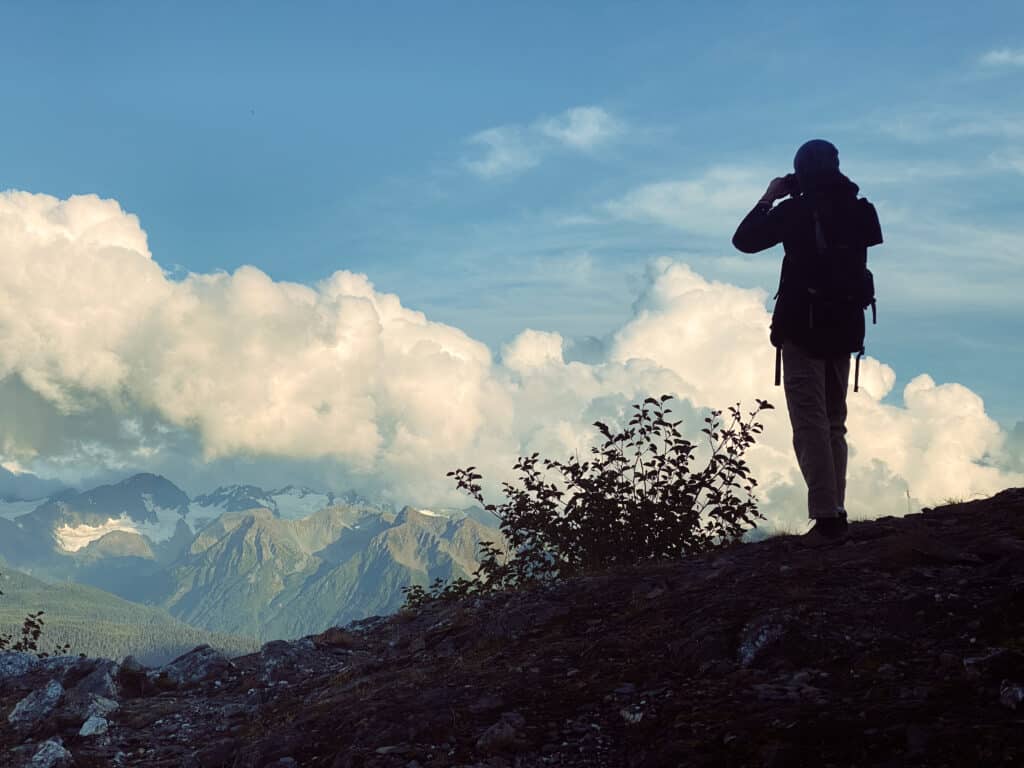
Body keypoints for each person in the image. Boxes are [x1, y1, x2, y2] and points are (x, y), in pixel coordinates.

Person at [732, 139, 883, 541]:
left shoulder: (795, 211)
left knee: (810, 422)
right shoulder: (860, 209)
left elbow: (744, 240)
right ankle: (836, 508)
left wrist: (770, 195)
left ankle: (826, 517)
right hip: (845, 326)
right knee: (835, 423)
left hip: (802, 327)